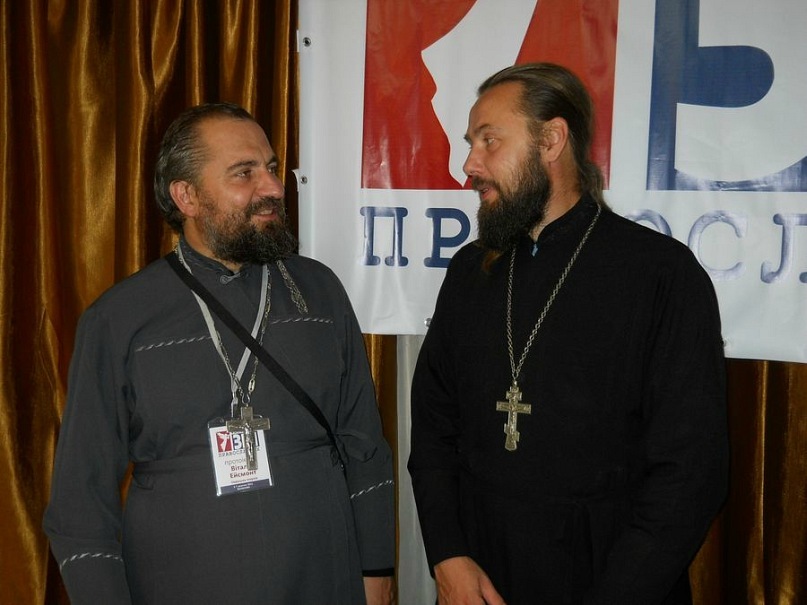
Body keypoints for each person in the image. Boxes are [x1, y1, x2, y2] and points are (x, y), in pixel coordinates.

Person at [44, 102, 396, 605]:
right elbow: (81, 500)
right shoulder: (119, 318)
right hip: (181, 580)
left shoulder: (319, 293)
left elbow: (364, 446)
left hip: (324, 574)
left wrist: (376, 569)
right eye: (244, 172)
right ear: (186, 196)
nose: (273, 187)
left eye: (271, 167)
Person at [408, 63, 728, 604]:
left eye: (489, 140)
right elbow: (434, 429)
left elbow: (690, 473)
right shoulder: (469, 272)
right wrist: (448, 555)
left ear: (552, 140)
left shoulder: (661, 274)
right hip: (480, 580)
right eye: (471, 143)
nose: (469, 165)